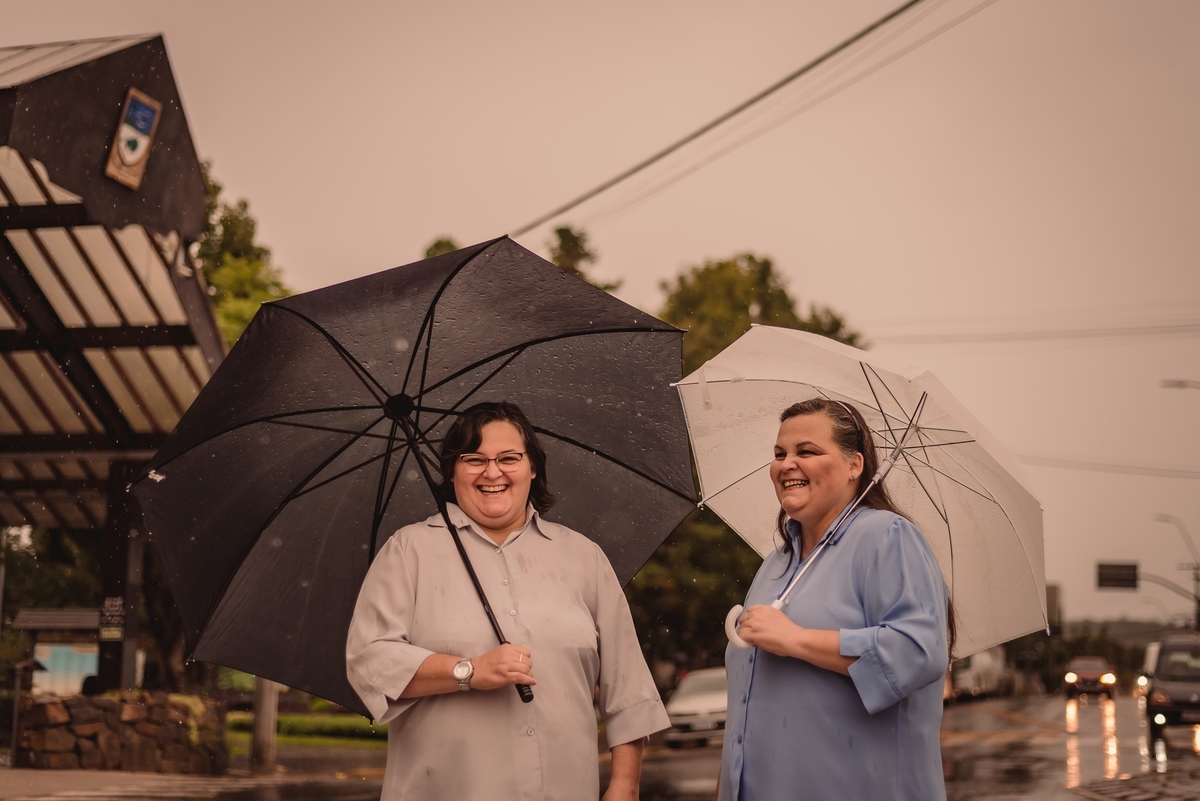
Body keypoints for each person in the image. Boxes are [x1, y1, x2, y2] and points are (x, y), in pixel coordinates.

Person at [346, 401, 668, 801]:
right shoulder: (408, 552)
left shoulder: (584, 557)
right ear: (451, 471)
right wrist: (467, 671)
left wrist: (625, 784)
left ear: (533, 466)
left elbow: (627, 686)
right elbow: (369, 661)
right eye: (473, 459)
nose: (492, 472)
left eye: (509, 458)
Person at [719, 398, 952, 801]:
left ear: (854, 465)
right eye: (780, 454)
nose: (786, 464)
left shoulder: (886, 537)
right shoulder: (774, 565)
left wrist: (797, 640)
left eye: (806, 451)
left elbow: (918, 651)